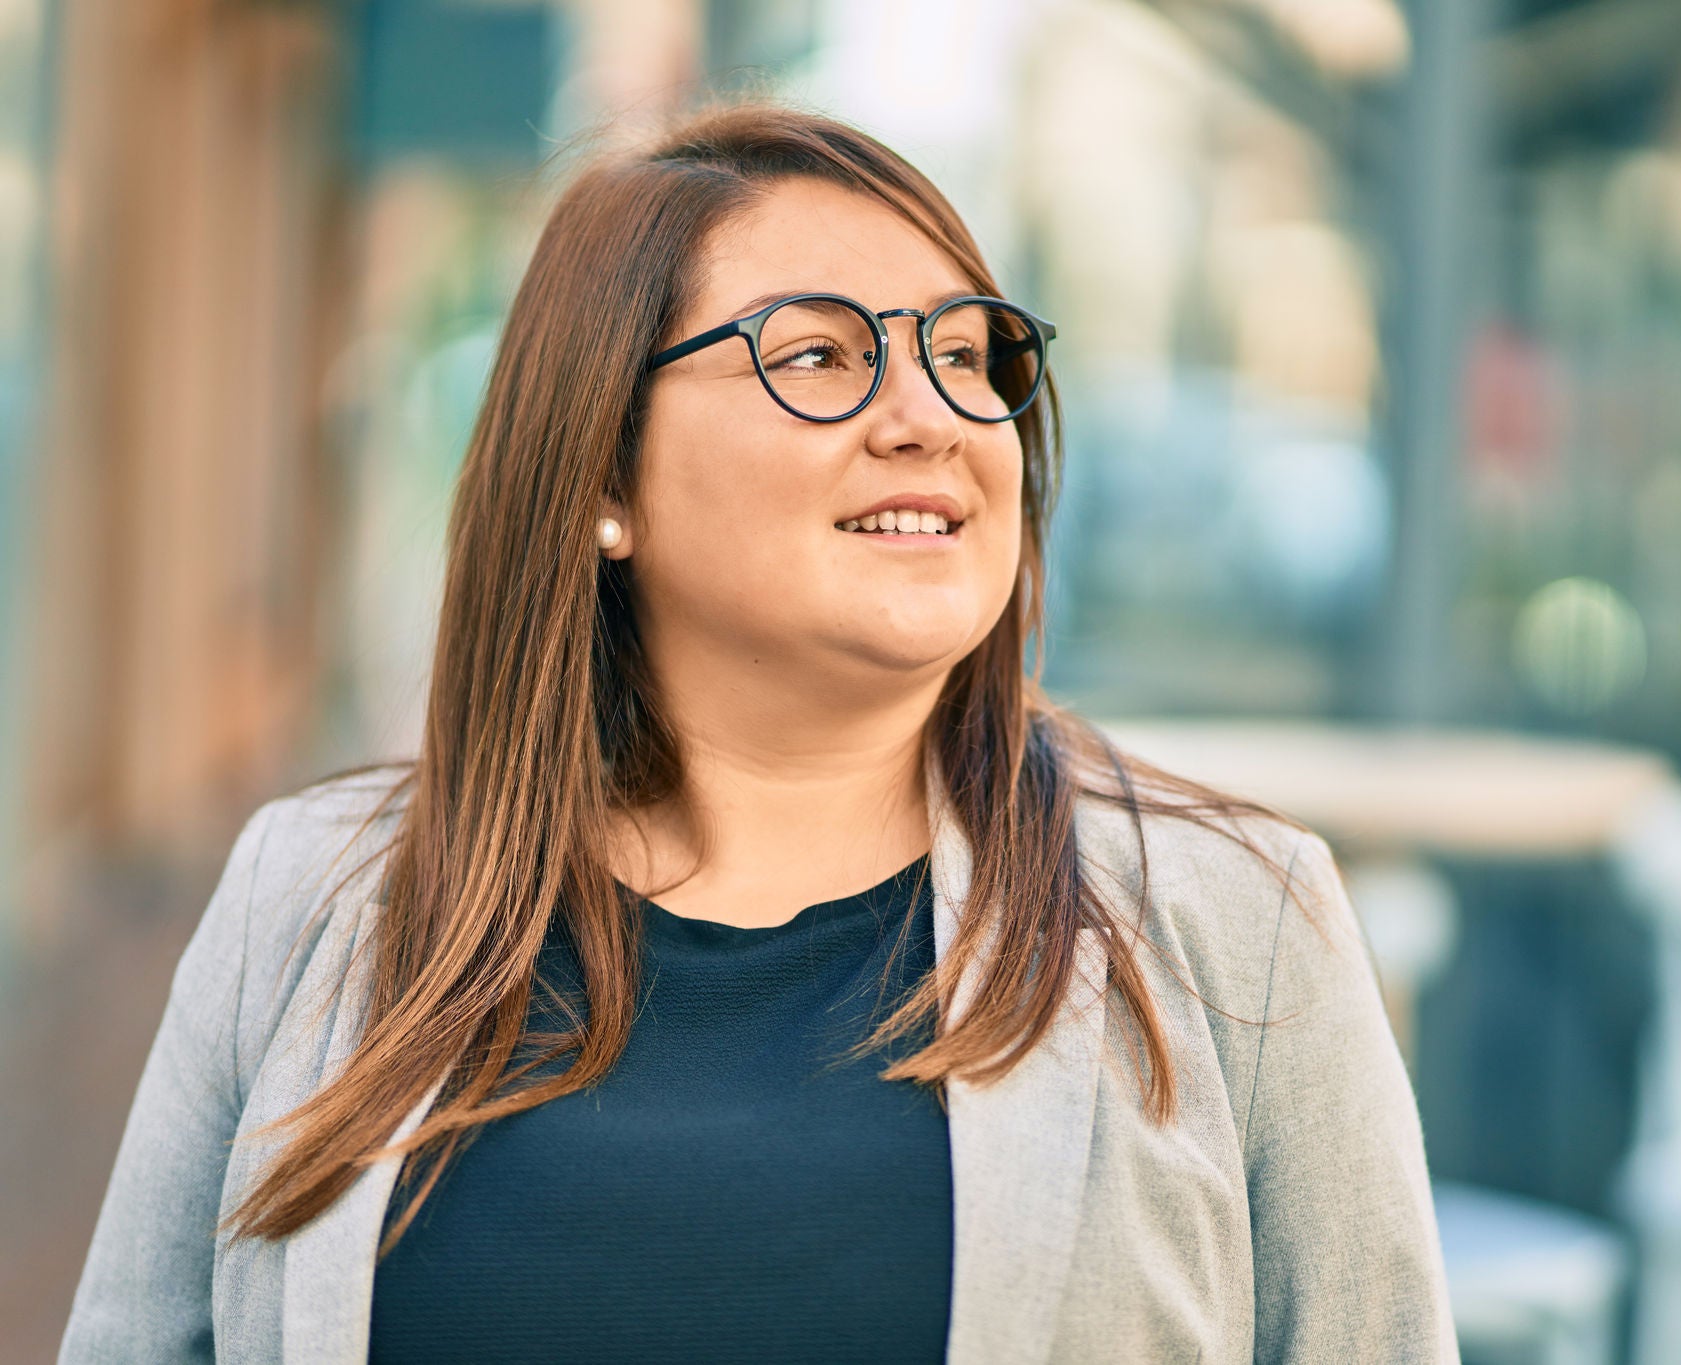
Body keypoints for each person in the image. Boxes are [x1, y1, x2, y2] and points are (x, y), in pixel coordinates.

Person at [57, 99, 1457, 1364]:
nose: (930, 417)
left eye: (968, 356)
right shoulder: (308, 898)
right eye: (820, 356)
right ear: (603, 471)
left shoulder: (1233, 929)